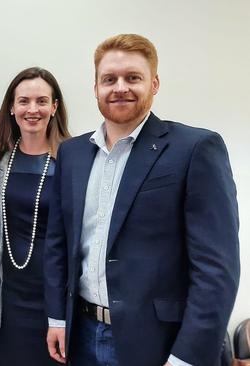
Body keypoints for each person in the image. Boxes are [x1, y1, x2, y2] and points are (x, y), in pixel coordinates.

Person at [44, 33, 240, 366]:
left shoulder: (195, 149)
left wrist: (187, 356)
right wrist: (57, 318)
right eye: (109, 79)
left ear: (154, 84)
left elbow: (216, 269)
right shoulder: (72, 153)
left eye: (133, 77)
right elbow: (58, 243)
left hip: (159, 343)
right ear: (95, 88)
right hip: (82, 334)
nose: (120, 87)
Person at [0, 67, 70, 366]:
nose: (32, 109)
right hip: (9, 299)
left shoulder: (73, 158)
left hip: (56, 299)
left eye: (41, 101)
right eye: (24, 101)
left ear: (54, 107)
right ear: (11, 107)